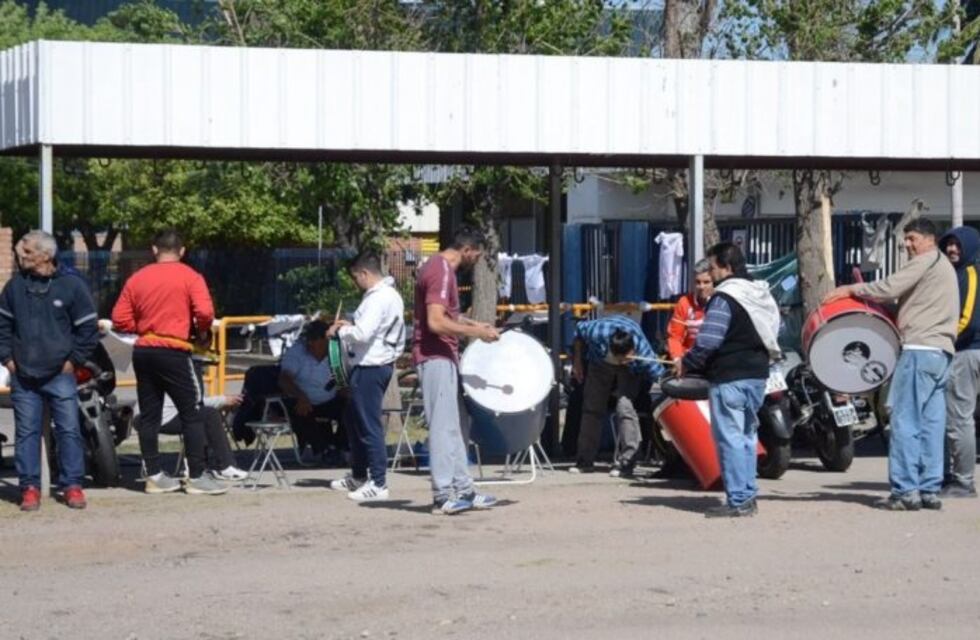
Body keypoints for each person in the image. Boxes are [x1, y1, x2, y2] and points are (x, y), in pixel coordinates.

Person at [824, 218, 958, 511]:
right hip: (941, 353)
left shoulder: (924, 260)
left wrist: (851, 290)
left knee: (904, 422)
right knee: (932, 425)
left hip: (919, 351)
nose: (907, 244)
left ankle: (905, 491)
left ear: (928, 239)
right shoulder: (942, 266)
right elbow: (911, 302)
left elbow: (888, 287)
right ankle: (929, 489)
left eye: (911, 238)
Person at [111, 228, 227, 496]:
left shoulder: (137, 278)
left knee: (150, 414)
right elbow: (205, 312)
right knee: (193, 412)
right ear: (182, 250)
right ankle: (196, 476)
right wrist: (200, 331)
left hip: (144, 350)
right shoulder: (190, 276)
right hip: (175, 349)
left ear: (154, 249)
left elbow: (120, 319)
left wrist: (141, 326)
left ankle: (154, 475)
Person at [679, 241, 780, 518]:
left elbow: (709, 341)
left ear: (727, 267)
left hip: (730, 376)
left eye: (712, 268)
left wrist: (686, 363)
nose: (710, 275)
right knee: (747, 436)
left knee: (731, 439)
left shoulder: (725, 297)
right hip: (758, 375)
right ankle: (748, 495)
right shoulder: (759, 293)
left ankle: (738, 500)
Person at [0, 230, 99, 511]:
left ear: (46, 255)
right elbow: (2, 327)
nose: (22, 256)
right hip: (24, 377)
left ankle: (72, 486)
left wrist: (74, 361)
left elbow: (88, 329)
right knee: (26, 433)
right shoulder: (14, 287)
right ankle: (29, 488)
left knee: (69, 430)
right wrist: (8, 359)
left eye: (28, 252)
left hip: (61, 375)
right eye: (21, 251)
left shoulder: (71, 286)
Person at [414, 227, 500, 515]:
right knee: (442, 427)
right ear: (468, 250)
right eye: (477, 255)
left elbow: (449, 316)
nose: (476, 261)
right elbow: (436, 322)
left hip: (445, 356)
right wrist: (471, 332)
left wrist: (477, 327)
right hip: (434, 356)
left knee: (457, 425)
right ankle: (442, 494)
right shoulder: (439, 270)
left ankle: (463, 488)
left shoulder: (443, 271)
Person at [326, 252, 405, 502]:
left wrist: (341, 330)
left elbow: (362, 334)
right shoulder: (386, 296)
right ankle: (359, 475)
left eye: (355, 278)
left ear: (364, 274)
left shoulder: (378, 298)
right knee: (354, 420)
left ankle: (379, 482)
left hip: (371, 366)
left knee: (369, 424)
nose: (355, 283)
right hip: (372, 363)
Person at [571, 315, 663, 477]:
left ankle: (627, 461)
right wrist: (577, 361)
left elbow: (658, 373)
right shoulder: (596, 332)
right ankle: (584, 461)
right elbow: (578, 332)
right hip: (599, 363)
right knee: (592, 409)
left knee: (625, 408)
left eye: (626, 359)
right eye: (620, 360)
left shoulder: (642, 349)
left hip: (630, 371)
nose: (622, 362)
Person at [134, 357, 248, 482]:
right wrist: (224, 400)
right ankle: (223, 466)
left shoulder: (159, 366)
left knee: (205, 415)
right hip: (161, 417)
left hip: (144, 417)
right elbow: (192, 402)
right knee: (209, 415)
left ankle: (206, 465)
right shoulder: (181, 371)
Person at [939, 226, 979, 498]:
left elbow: (965, 319)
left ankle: (964, 482)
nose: (952, 249)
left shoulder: (969, 274)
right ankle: (949, 476)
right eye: (949, 244)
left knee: (958, 420)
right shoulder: (954, 275)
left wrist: (942, 340)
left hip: (965, 353)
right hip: (959, 351)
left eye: (958, 245)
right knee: (949, 418)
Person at [278, 320, 348, 459]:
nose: (309, 343)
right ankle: (322, 449)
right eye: (308, 339)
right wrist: (301, 396)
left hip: (328, 400)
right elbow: (284, 379)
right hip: (303, 400)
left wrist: (347, 393)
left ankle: (341, 446)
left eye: (314, 339)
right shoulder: (297, 352)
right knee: (300, 409)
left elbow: (340, 383)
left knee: (351, 408)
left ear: (326, 339)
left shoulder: (334, 352)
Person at [666, 259, 714, 360]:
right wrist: (677, 358)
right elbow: (675, 336)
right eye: (698, 282)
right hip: (689, 358)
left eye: (706, 282)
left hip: (714, 360)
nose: (701, 287)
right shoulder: (684, 302)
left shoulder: (719, 303)